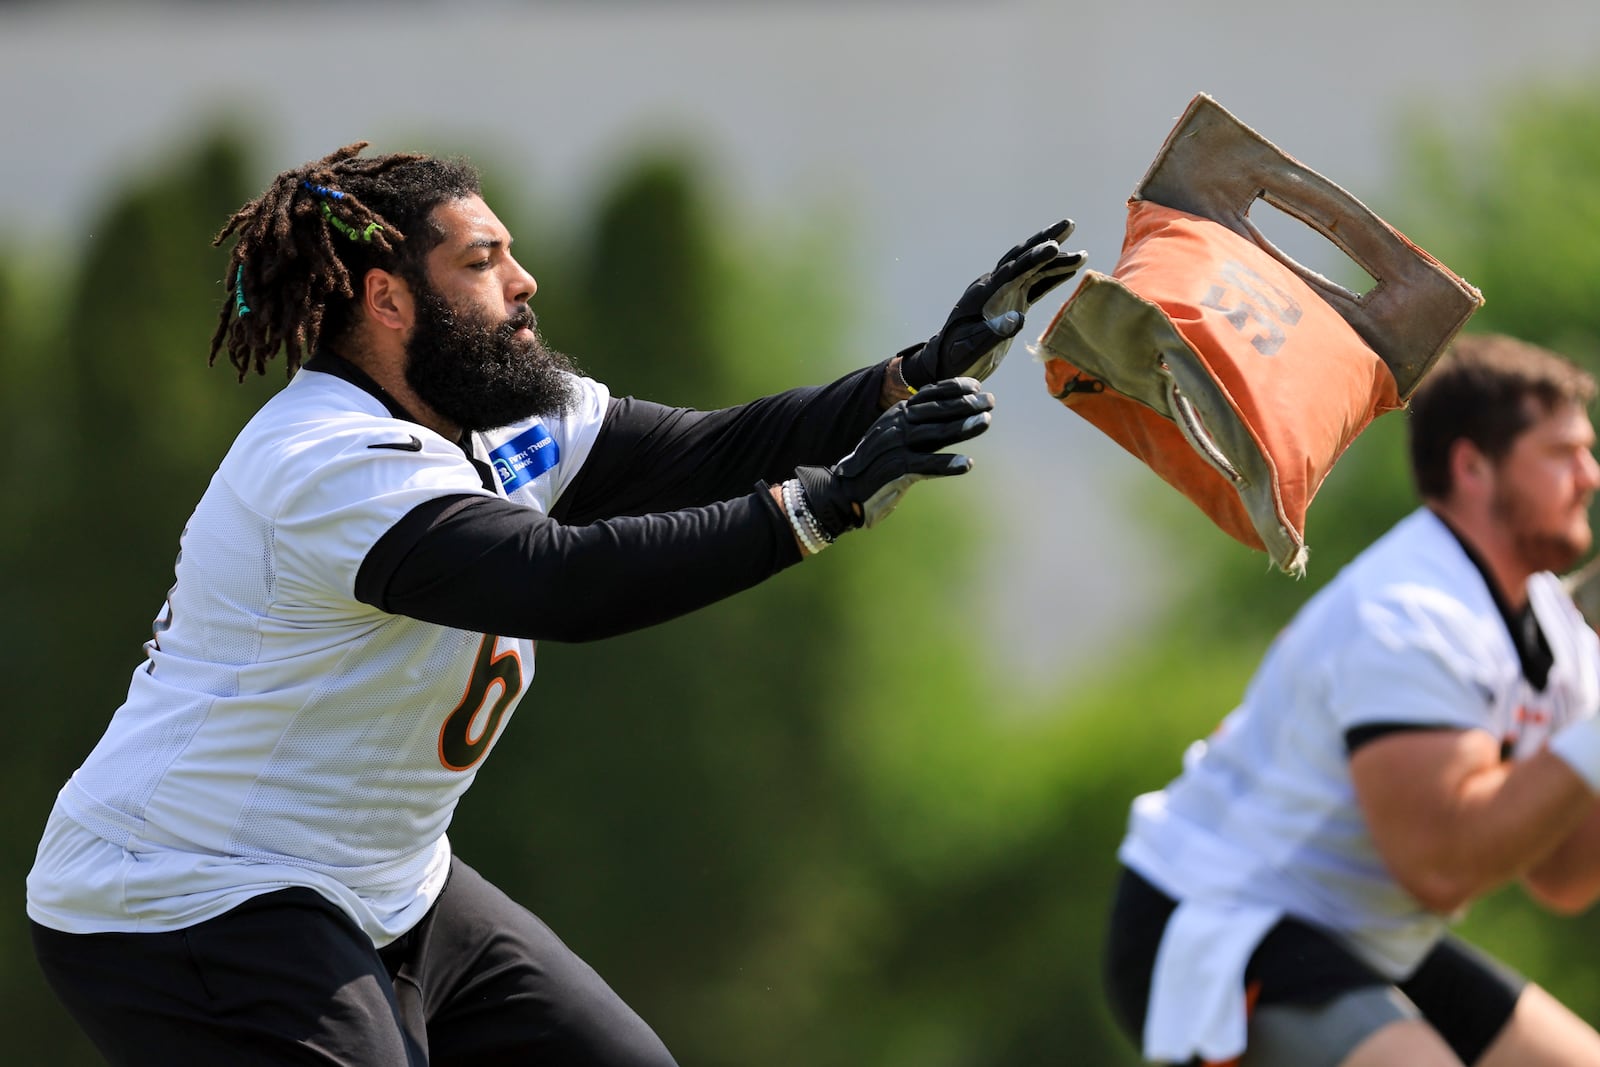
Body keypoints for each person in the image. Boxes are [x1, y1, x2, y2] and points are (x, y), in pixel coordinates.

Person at [25, 142, 1086, 1066]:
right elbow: (561, 581)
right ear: (389, 298)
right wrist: (827, 502)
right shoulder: (323, 463)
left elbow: (716, 451)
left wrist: (915, 372)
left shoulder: (482, 419)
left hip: (382, 879)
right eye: (481, 262)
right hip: (186, 896)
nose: (523, 281)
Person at [1103, 333, 1600, 1067]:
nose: (1589, 475)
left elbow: (1563, 877)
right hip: (1218, 919)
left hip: (1361, 930)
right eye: (1561, 453)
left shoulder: (1556, 633)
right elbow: (1441, 865)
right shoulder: (1409, 615)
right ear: (1472, 466)